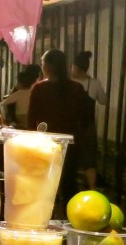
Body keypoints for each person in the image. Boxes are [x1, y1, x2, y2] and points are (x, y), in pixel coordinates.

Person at [27, 48, 99, 199]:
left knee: (45, 183)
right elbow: (85, 116)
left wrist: (33, 140)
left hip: (46, 143)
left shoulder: (39, 89)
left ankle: (47, 211)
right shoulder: (76, 88)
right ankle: (70, 211)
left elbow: (32, 119)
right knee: (69, 182)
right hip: (71, 142)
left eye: (42, 63)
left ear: (48, 66)